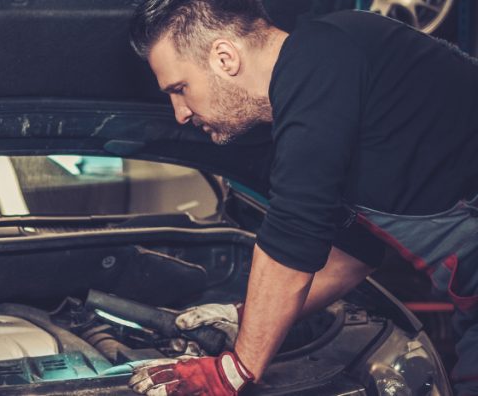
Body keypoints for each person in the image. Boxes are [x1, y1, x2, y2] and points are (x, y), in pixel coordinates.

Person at [126, 0, 478, 394]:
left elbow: (294, 228)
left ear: (224, 58)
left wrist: (233, 371)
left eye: (179, 88)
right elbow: (352, 253)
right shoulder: (321, 89)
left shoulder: (323, 57)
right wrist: (241, 316)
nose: (179, 113)